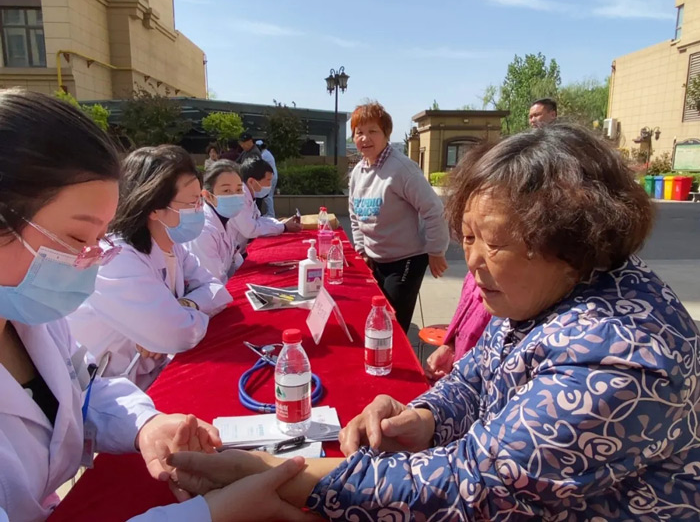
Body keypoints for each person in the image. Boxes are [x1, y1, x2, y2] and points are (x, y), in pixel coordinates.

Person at [167, 123, 700, 521]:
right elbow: (476, 375)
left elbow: (468, 486)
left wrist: (272, 474)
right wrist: (424, 416)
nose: (472, 260)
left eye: (494, 242)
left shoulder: (619, 357)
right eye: (466, 236)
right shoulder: (546, 291)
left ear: (573, 242)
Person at [0, 88, 313, 522]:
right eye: (77, 239)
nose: (93, 259)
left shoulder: (29, 319)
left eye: (99, 237)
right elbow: (178, 330)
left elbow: (84, 390)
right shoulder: (111, 267)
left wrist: (145, 425)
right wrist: (213, 514)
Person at [67, 145, 233, 390]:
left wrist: (184, 306)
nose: (200, 209)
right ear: (155, 208)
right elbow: (179, 335)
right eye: (192, 202)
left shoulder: (174, 246)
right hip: (108, 393)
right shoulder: (116, 260)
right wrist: (168, 326)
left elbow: (218, 291)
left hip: (150, 375)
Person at [348, 101, 450, 332]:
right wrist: (362, 250)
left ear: (386, 133)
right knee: (376, 319)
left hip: (405, 260)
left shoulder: (401, 169)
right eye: (359, 133)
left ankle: (394, 366)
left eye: (372, 131)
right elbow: (355, 214)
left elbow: (434, 210)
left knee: (392, 326)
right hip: (376, 259)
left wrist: (436, 250)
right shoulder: (358, 172)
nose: (365, 138)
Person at [185, 160, 246, 282]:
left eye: (239, 190)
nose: (234, 195)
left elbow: (235, 261)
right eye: (226, 191)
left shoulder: (224, 220)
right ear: (207, 195)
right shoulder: (203, 231)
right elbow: (213, 282)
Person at [424, 271, 491, 381]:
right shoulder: (473, 277)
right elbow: (465, 323)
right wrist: (451, 348)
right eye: (468, 252)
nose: (473, 261)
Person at [230, 158, 301, 254]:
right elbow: (250, 230)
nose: (270, 184)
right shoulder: (240, 198)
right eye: (268, 180)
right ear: (251, 181)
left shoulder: (249, 195)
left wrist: (279, 223)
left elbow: (258, 219)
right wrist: (283, 227)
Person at [256, 140, 278, 218]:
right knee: (269, 196)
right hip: (272, 176)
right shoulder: (267, 153)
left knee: (267, 196)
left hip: (270, 177)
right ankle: (270, 213)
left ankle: (271, 214)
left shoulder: (264, 155)